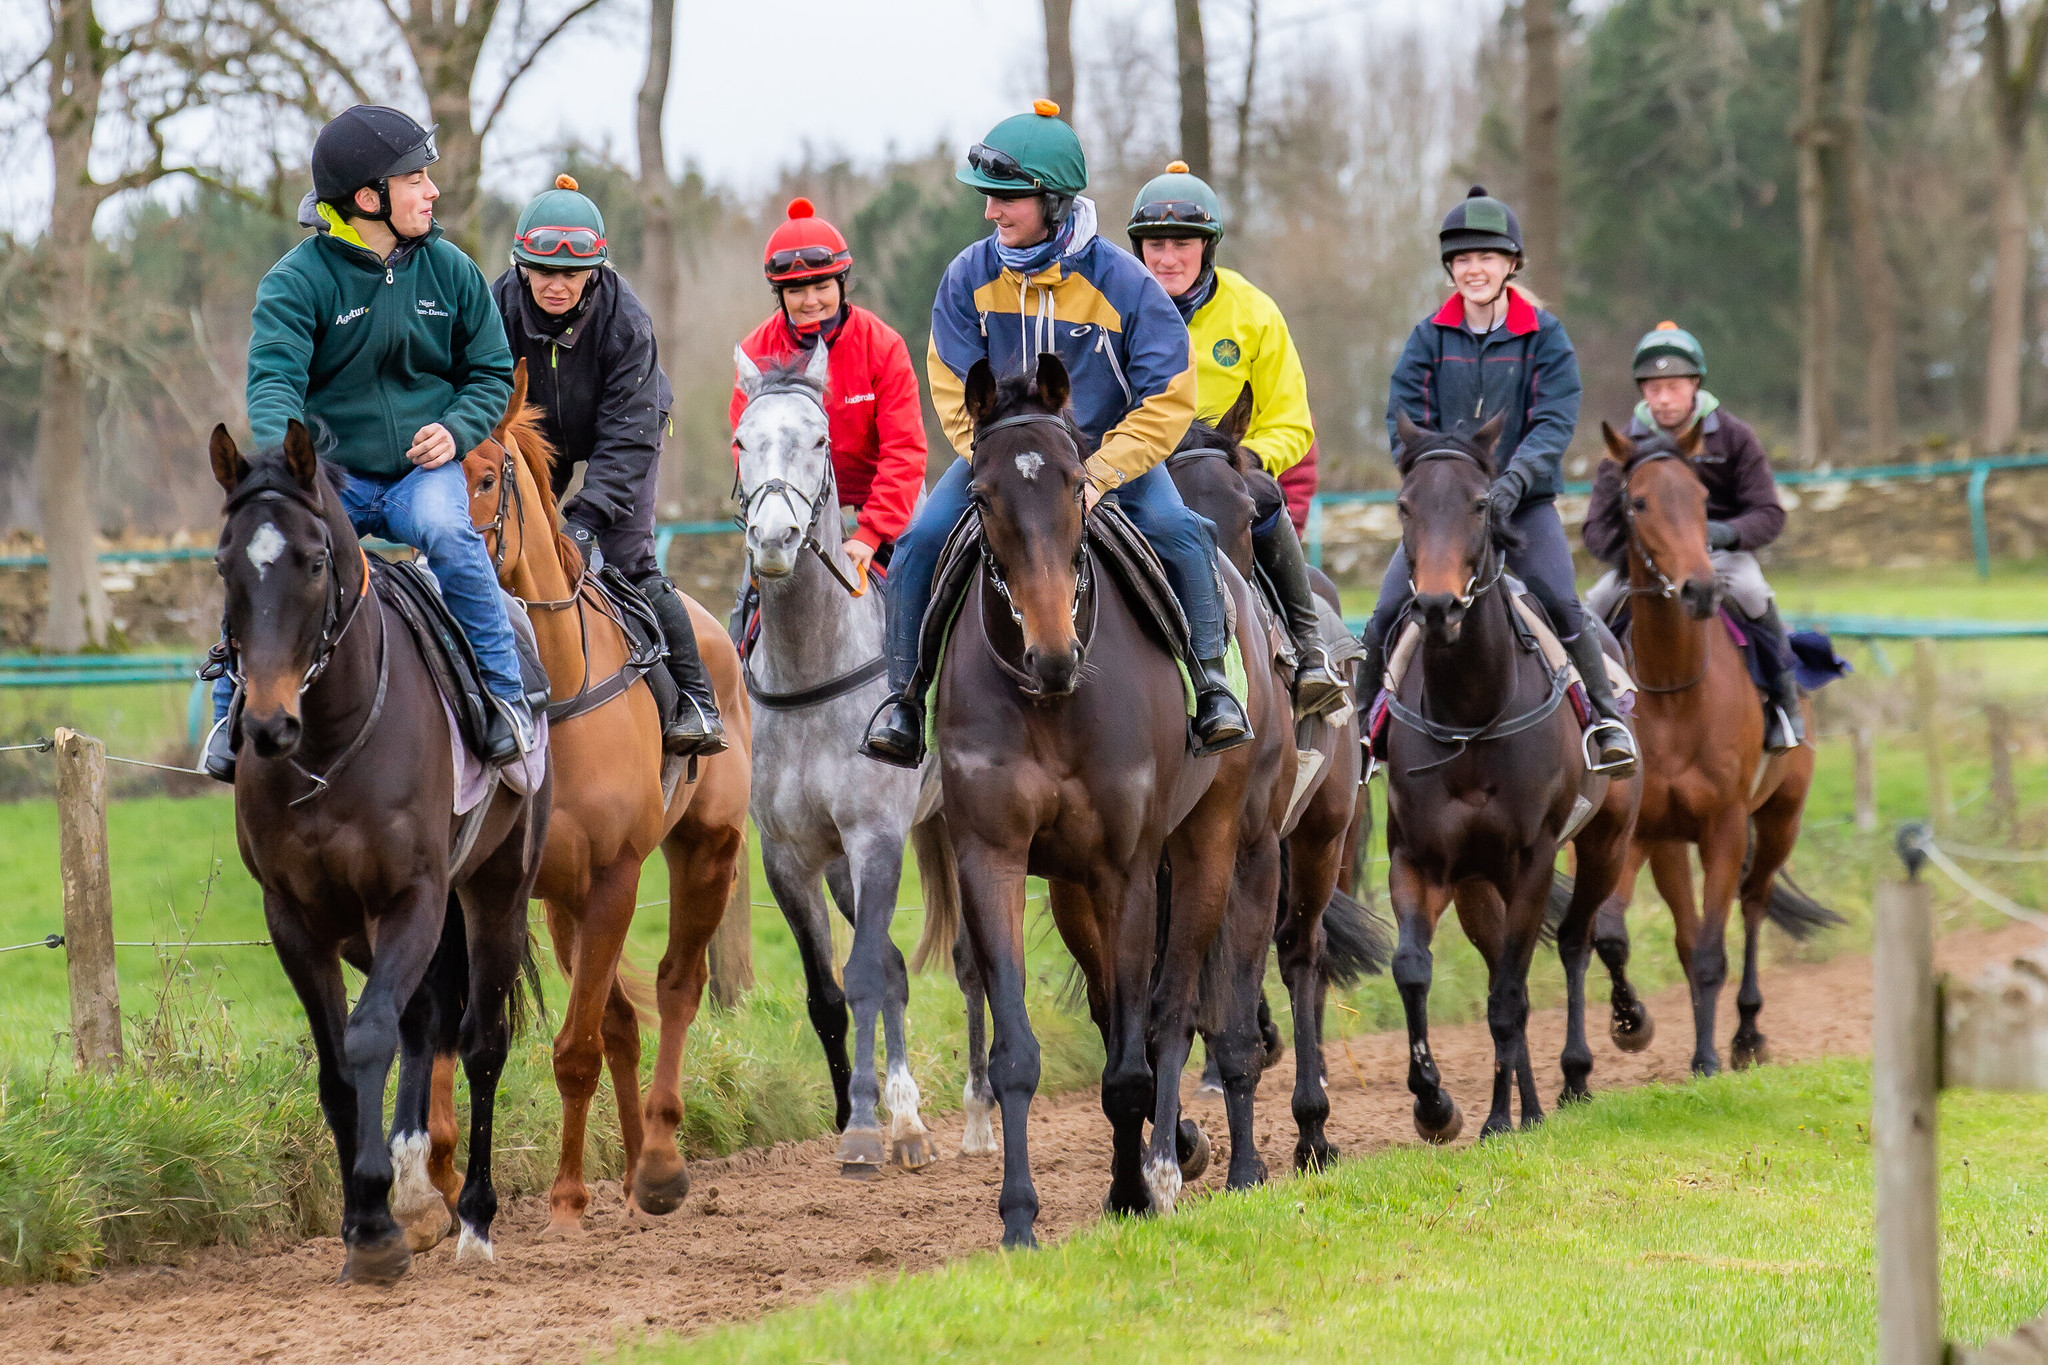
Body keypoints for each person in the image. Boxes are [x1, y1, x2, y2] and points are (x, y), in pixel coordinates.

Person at [859, 100, 1250, 767]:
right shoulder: (966, 276)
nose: (991, 212)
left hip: (1105, 462)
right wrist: (993, 459)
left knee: (1183, 533)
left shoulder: (1126, 283)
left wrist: (1101, 474)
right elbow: (951, 383)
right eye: (988, 198)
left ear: (1053, 201)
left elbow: (1169, 396)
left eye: (1006, 199)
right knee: (920, 540)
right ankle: (904, 701)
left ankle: (1211, 688)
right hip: (999, 461)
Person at [205, 104, 525, 781]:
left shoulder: (453, 271)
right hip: (332, 481)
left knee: (451, 534)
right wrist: (293, 473)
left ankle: (504, 697)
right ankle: (228, 712)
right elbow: (273, 383)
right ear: (368, 198)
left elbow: (493, 372)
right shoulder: (296, 282)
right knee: (266, 550)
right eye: (415, 179)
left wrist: (458, 429)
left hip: (421, 476)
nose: (432, 191)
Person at [1364, 186, 1637, 776]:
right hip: (1446, 513)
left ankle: (1604, 721)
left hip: (1524, 505)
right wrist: (1437, 480)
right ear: (1450, 268)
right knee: (1386, 610)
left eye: (1486, 257)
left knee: (1560, 599)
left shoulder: (1546, 337)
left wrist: (1511, 484)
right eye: (1462, 259)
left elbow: (1553, 422)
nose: (1474, 269)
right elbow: (1404, 420)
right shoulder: (1427, 339)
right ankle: (1363, 735)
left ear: (1511, 264)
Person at [491, 174, 724, 756]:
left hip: (622, 431)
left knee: (627, 559)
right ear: (522, 267)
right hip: (533, 432)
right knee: (502, 549)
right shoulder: (495, 308)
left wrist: (587, 521)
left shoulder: (628, 322)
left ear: (594, 271)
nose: (556, 285)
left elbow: (628, 437)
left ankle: (695, 699)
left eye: (571, 274)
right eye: (543, 271)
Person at [1126, 160, 1345, 714]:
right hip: (1141, 468)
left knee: (1262, 496)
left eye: (1182, 244)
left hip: (1223, 469)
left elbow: (1291, 422)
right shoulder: (1115, 308)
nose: (1167, 258)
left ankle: (1309, 648)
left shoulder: (1254, 312)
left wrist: (1243, 459)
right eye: (1154, 245)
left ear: (1207, 247)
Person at [1583, 322, 1803, 751]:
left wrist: (1724, 533)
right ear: (1643, 392)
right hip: (1648, 562)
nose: (1664, 399)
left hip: (1718, 554)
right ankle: (1596, 714)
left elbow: (1769, 513)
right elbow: (1596, 528)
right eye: (1654, 389)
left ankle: (1785, 703)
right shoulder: (1623, 447)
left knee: (1752, 590)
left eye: (1673, 387)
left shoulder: (1734, 437)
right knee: (1594, 604)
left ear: (1695, 385)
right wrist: (1637, 555)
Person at [727, 196, 928, 625]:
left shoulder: (884, 346)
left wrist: (871, 532)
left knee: (928, 557)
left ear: (842, 283)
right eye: (796, 290)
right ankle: (740, 656)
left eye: (822, 287)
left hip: (882, 496)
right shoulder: (755, 352)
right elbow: (746, 449)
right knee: (747, 597)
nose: (810, 301)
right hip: (794, 498)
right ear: (780, 295)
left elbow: (905, 450)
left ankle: (929, 661)